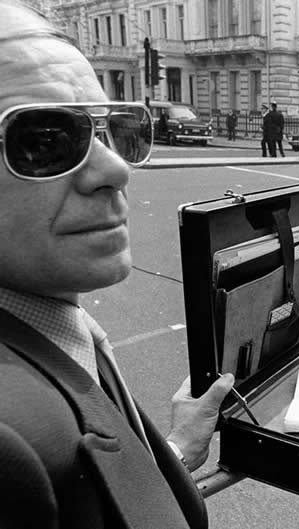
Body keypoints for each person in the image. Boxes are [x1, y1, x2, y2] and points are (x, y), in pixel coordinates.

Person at [0, 4, 234, 528]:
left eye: (114, 129)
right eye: (45, 140)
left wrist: (172, 450)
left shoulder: (53, 319)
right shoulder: (9, 447)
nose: (116, 167)